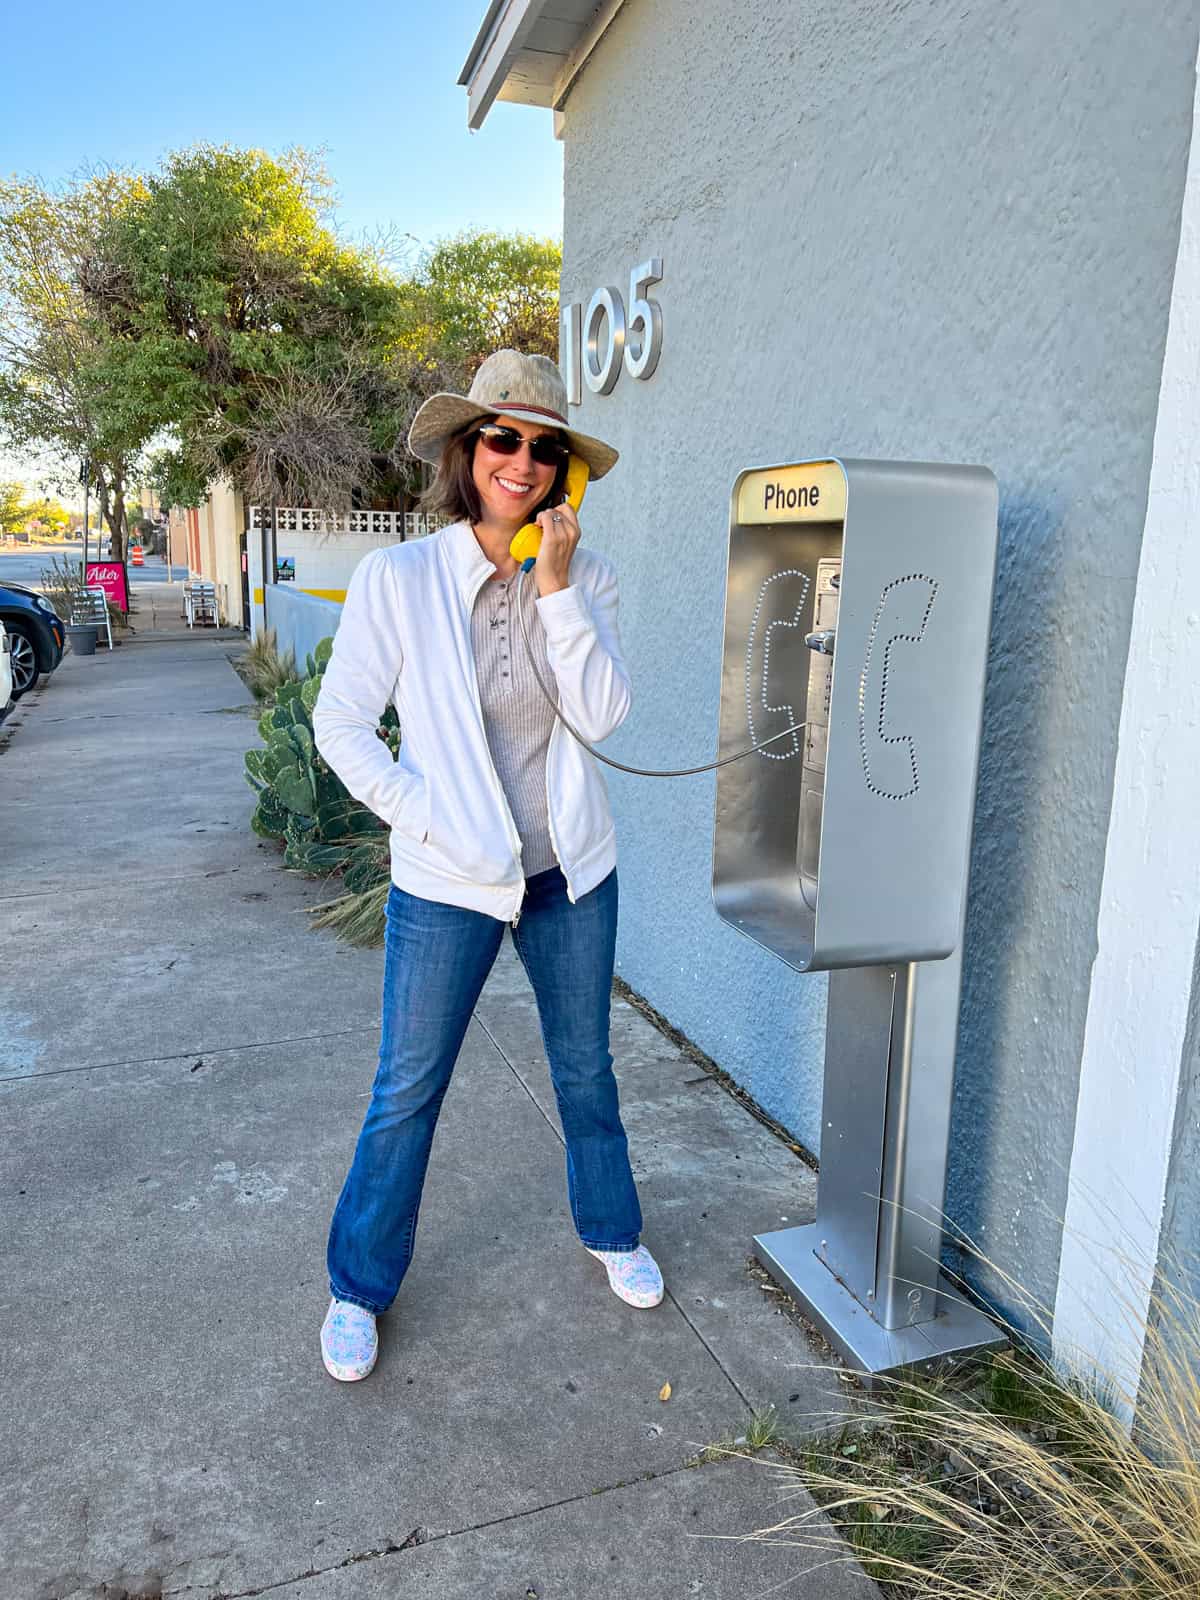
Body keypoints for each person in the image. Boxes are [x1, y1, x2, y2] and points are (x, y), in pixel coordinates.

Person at [311, 349, 663, 1382]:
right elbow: (342, 726)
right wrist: (424, 818)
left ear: (565, 469)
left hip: (567, 873)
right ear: (467, 450)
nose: (522, 460)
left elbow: (602, 716)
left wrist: (555, 588)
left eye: (544, 447)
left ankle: (612, 1229)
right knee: (406, 1088)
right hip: (448, 881)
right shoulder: (401, 578)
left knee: (587, 1068)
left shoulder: (587, 576)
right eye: (502, 438)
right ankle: (358, 1284)